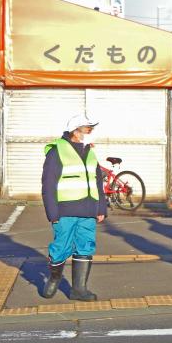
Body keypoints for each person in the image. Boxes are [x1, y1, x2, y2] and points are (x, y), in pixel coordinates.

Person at [41, 114, 107, 301]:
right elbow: (48, 184)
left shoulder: (89, 151)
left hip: (88, 210)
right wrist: (52, 213)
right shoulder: (57, 151)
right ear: (76, 130)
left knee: (85, 247)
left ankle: (79, 289)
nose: (91, 132)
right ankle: (54, 278)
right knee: (60, 247)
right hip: (65, 211)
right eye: (88, 128)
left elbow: (97, 181)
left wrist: (101, 208)